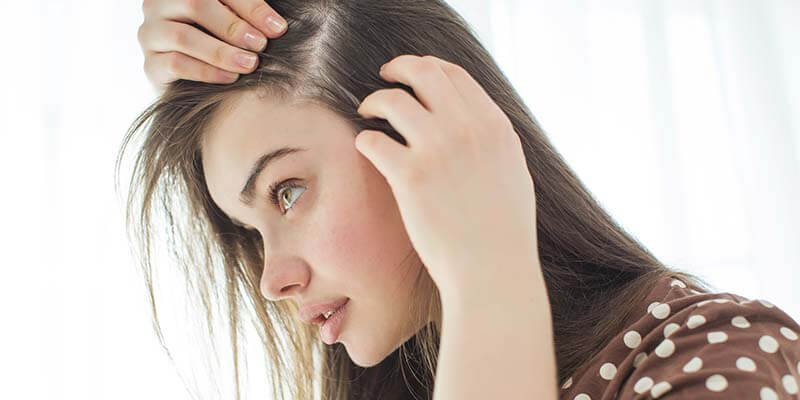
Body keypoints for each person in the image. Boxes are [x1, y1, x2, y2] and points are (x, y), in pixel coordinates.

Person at [126, 1, 800, 399]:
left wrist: (489, 273)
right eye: (250, 230)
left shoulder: (712, 351)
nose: (273, 280)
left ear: (429, 124)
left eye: (288, 191)